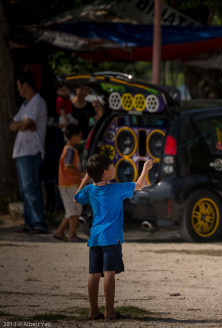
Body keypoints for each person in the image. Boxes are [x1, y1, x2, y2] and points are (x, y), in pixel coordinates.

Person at [74, 154, 153, 320]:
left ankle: (93, 311)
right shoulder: (117, 189)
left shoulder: (90, 190)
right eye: (111, 166)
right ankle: (109, 311)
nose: (114, 168)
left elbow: (76, 197)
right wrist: (145, 168)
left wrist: (86, 178)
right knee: (109, 273)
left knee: (94, 274)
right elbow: (140, 184)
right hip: (111, 239)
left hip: (95, 238)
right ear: (105, 173)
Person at [9, 71, 48, 234]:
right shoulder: (26, 105)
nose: (18, 90)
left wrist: (23, 124)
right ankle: (29, 222)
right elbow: (13, 125)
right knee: (25, 190)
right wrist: (23, 124)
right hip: (21, 152)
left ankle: (38, 223)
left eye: (19, 86)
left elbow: (24, 125)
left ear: (25, 85)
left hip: (31, 151)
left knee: (31, 188)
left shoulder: (37, 102)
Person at [52, 124, 84, 242]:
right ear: (74, 136)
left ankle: (59, 232)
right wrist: (80, 174)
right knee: (75, 210)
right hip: (69, 184)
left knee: (71, 210)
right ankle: (72, 236)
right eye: (79, 136)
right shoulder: (69, 150)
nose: (80, 138)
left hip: (68, 184)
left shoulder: (69, 149)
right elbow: (68, 166)